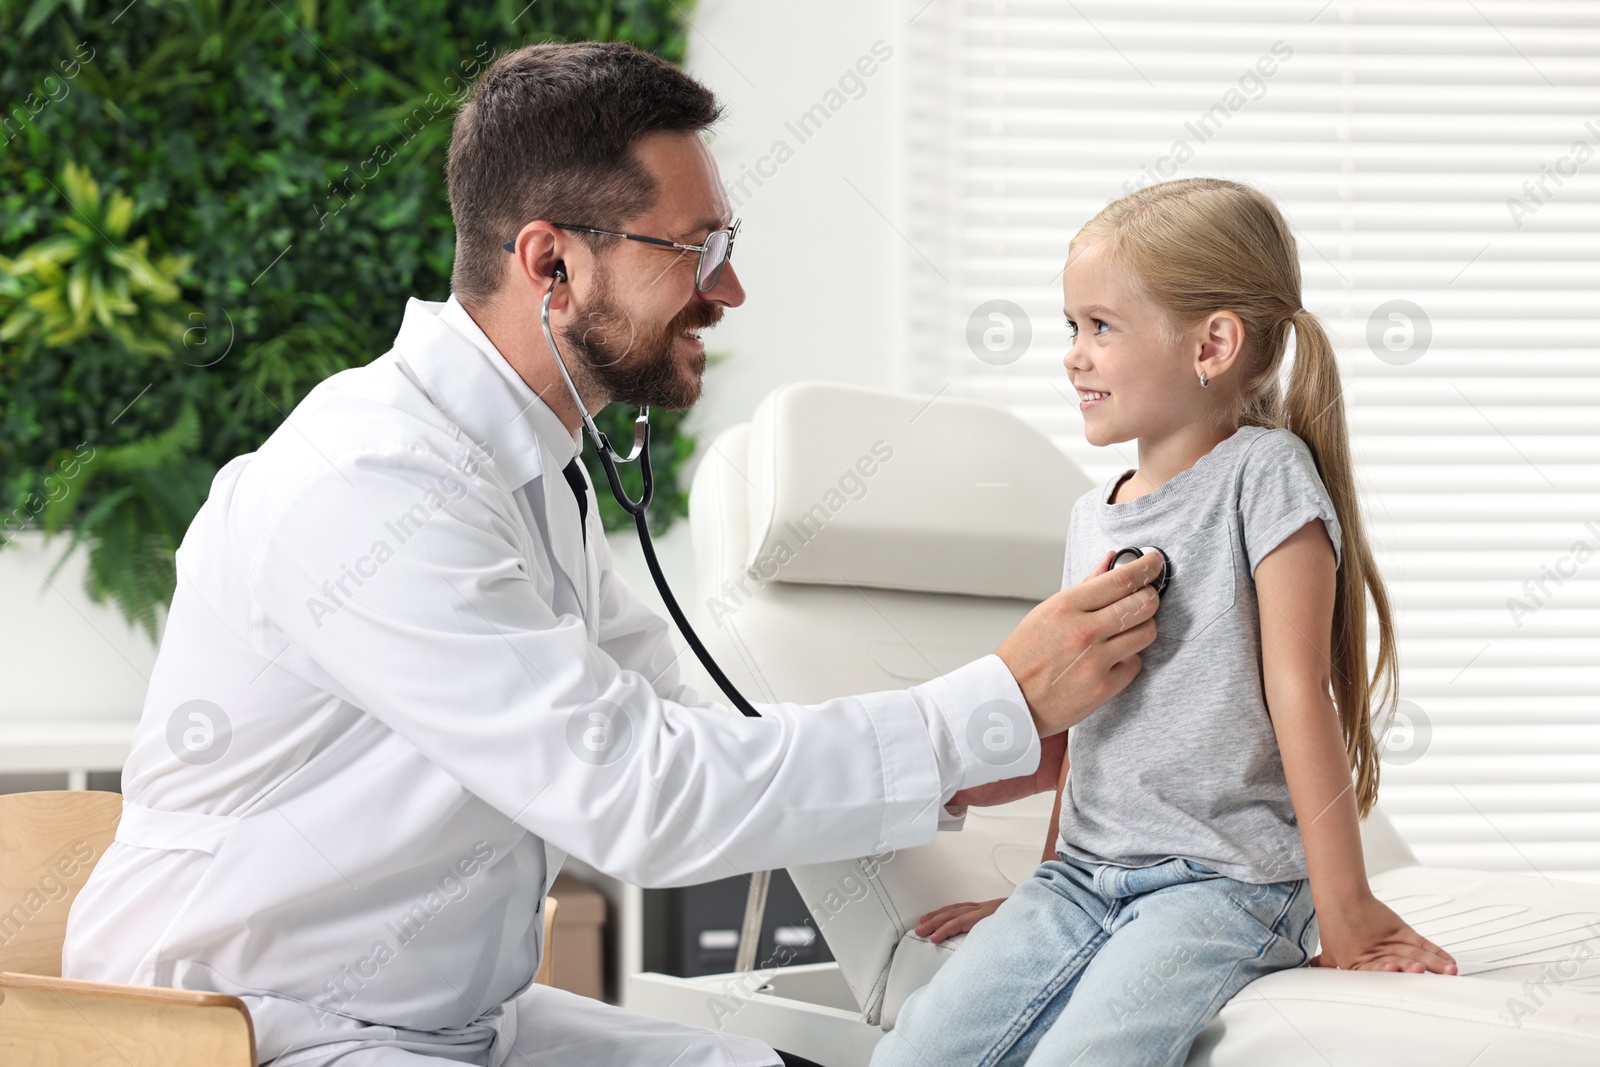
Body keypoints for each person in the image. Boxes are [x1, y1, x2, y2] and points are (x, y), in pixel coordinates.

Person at [61, 42, 1167, 1067]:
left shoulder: (528, 469)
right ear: (550, 261)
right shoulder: (370, 482)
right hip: (240, 1031)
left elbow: (683, 725)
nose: (727, 291)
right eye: (698, 251)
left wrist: (988, 752)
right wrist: (991, 700)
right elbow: (636, 792)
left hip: (450, 1021)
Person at [870, 178, 1460, 1067]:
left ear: (1212, 344)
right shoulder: (1090, 514)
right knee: (915, 1053)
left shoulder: (1262, 475)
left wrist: (1348, 913)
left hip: (1223, 882)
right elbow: (1087, 713)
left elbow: (1303, 696)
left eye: (1100, 327)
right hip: (1080, 881)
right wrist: (1040, 886)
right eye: (1071, 327)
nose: (1073, 355)